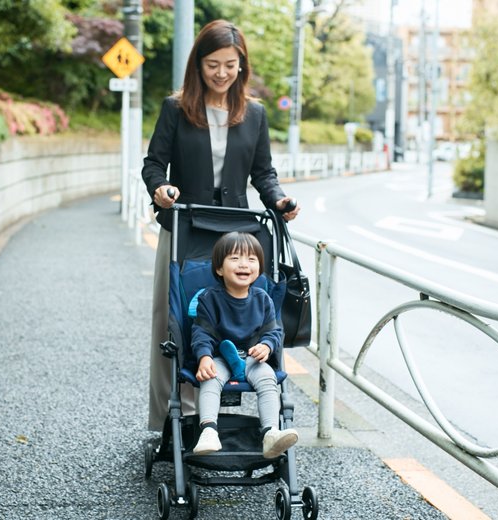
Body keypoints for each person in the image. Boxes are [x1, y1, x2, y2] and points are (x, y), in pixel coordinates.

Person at [142, 19, 301, 432]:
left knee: (234, 316)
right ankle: (175, 420)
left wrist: (279, 200)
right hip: (185, 225)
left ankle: (215, 416)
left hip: (235, 234)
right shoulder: (176, 109)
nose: (221, 73)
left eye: (230, 65)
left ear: (241, 66)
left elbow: (263, 173)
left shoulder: (255, 114)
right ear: (198, 64)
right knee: (176, 321)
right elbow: (153, 164)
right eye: (213, 64)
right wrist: (160, 189)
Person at [189, 232, 298, 458]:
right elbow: (202, 332)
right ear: (219, 268)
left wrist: (267, 346)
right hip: (220, 356)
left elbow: (273, 331)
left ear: (259, 267)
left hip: (252, 357)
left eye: (251, 259)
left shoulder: (262, 298)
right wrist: (204, 357)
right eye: (235, 259)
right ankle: (208, 430)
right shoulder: (209, 299)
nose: (244, 265)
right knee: (211, 377)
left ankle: (270, 432)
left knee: (267, 379)